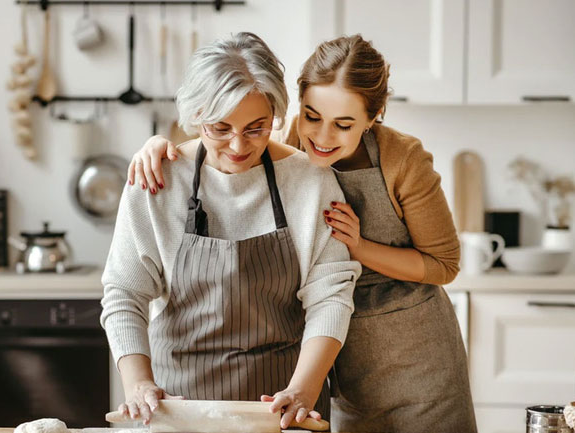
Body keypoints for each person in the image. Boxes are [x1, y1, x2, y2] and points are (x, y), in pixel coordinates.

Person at [126, 34, 477, 433]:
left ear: (375, 115)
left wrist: (358, 247)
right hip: (338, 359)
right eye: (312, 116)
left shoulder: (402, 160)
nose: (322, 138)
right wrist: (160, 148)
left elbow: (443, 265)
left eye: (343, 125)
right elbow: (230, 136)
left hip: (415, 356)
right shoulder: (288, 146)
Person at [100, 32, 360, 430]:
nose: (239, 146)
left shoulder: (310, 182)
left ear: (275, 114)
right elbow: (124, 293)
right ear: (195, 116)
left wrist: (304, 390)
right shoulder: (157, 180)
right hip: (179, 409)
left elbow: (331, 296)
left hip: (281, 410)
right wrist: (138, 384)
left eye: (257, 128)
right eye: (219, 128)